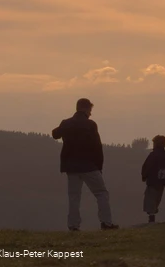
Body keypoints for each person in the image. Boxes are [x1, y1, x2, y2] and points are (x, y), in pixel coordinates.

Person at [52, 98, 119, 231]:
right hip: (89, 166)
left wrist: (64, 127)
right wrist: (99, 166)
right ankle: (106, 223)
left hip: (71, 167)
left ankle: (73, 225)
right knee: (101, 193)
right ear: (86, 109)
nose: (90, 113)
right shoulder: (91, 125)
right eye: (90, 110)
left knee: (74, 197)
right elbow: (97, 147)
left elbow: (55, 134)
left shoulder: (66, 123)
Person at [141, 135, 165, 223]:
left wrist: (144, 176)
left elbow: (147, 166)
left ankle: (151, 218)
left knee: (150, 199)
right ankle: (153, 213)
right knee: (157, 198)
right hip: (162, 182)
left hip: (152, 181)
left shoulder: (153, 155)